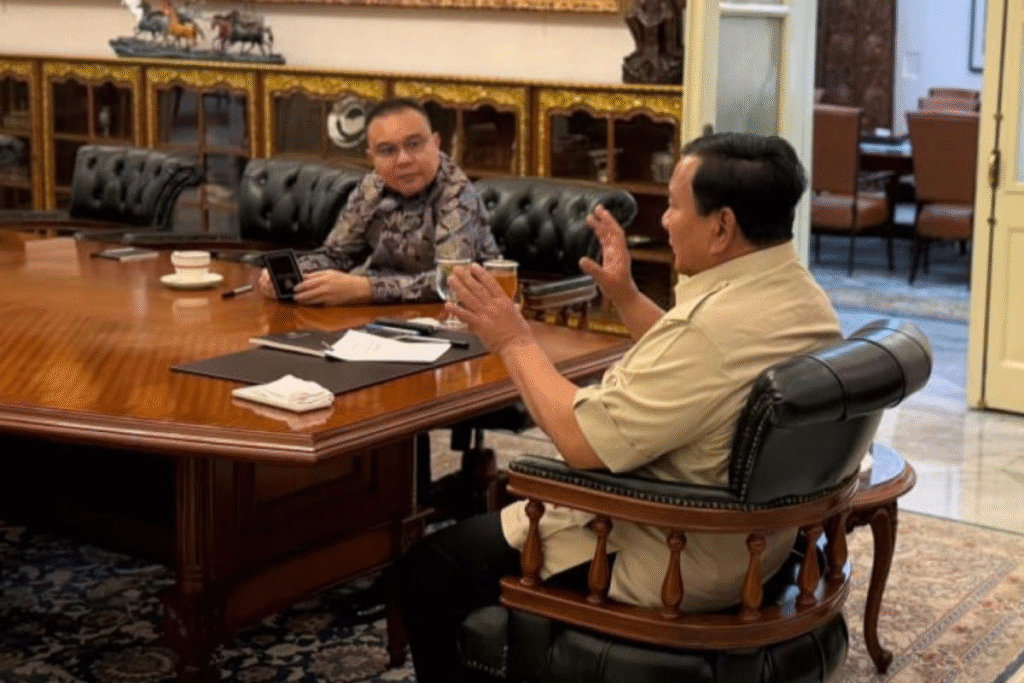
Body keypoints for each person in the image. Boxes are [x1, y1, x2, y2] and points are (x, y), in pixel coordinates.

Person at [393, 132, 844, 682]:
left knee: (430, 569)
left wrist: (512, 340)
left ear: (722, 226)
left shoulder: (711, 331)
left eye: (675, 206)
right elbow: (707, 375)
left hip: (674, 553)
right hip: (752, 548)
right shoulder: (801, 296)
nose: (666, 222)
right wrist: (626, 296)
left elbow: (581, 442)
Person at [257, 98, 500, 305]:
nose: (403, 159)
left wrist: (365, 289)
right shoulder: (372, 185)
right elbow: (337, 255)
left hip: (450, 317)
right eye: (388, 150)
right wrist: (293, 274)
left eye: (414, 145)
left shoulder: (457, 192)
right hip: (376, 316)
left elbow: (452, 280)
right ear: (371, 157)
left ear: (435, 143)